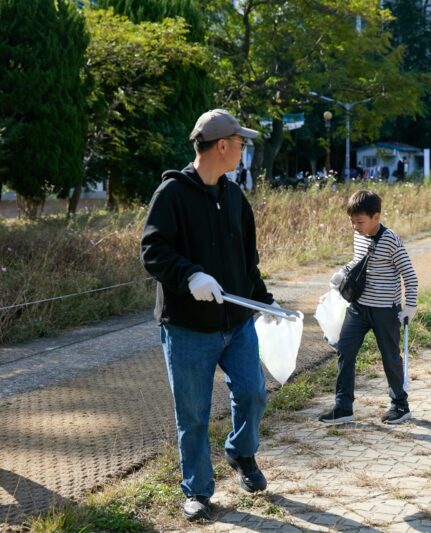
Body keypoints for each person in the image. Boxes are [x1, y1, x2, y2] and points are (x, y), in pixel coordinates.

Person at [140, 109, 274, 521]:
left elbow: (246, 257)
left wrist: (263, 299)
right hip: (187, 329)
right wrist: (190, 275)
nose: (243, 150)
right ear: (222, 146)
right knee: (194, 413)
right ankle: (198, 490)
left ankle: (241, 453)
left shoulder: (235, 196)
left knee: (252, 393)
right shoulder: (172, 194)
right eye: (241, 144)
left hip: (237, 321)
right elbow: (153, 251)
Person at [320, 190, 419, 425]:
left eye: (360, 222)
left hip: (385, 310)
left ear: (376, 217)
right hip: (359, 306)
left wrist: (410, 305)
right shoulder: (360, 236)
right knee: (345, 349)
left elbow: (410, 275)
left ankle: (400, 406)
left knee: (390, 357)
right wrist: (342, 273)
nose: (355, 226)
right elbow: (359, 259)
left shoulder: (390, 240)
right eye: (352, 221)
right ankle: (343, 407)